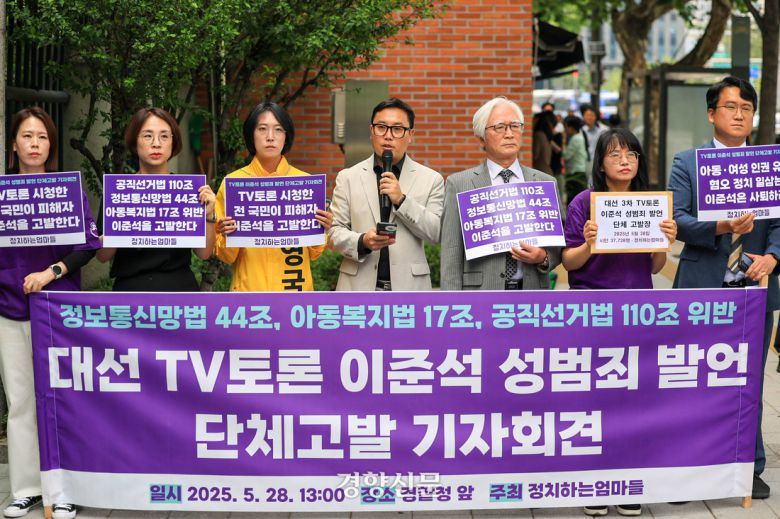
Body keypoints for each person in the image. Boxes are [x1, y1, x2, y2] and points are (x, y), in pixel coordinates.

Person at [668, 75, 780, 500]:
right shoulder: (688, 162)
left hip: (754, 287)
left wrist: (773, 256)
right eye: (730, 107)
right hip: (702, 286)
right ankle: (686, 467)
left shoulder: (768, 165)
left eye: (746, 108)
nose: (739, 114)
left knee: (748, 382)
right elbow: (677, 220)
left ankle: (749, 467)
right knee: (692, 377)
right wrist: (721, 226)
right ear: (711, 113)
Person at [565, 129, 677, 517]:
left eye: (631, 154)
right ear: (600, 162)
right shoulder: (584, 202)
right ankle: (595, 483)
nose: (624, 161)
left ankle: (627, 481)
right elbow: (569, 262)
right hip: (593, 313)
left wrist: (663, 244)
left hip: (636, 312)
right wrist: (588, 243)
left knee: (632, 399)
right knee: (595, 399)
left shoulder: (649, 203)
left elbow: (655, 267)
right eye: (615, 154)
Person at [1, 108, 100, 519]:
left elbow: (88, 245)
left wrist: (51, 272)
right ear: (14, 144)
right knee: (21, 402)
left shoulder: (67, 190)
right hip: (10, 309)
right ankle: (26, 489)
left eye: (42, 137)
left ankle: (65, 491)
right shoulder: (2, 194)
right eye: (27, 136)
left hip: (59, 311)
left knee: (61, 400)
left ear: (51, 145)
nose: (35, 143)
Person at [440, 97, 561, 290]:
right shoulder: (460, 184)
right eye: (499, 127)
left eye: (515, 126)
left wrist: (544, 257)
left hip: (531, 291)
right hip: (480, 293)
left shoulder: (545, 183)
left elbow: (558, 244)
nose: (509, 134)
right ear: (482, 137)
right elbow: (451, 251)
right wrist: (452, 301)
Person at [328, 98, 444, 291]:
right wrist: (362, 242)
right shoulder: (348, 177)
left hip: (409, 288)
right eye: (381, 127)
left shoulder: (431, 179)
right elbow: (333, 232)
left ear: (410, 134)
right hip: (358, 288)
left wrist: (402, 201)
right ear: (371, 131)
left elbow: (436, 232)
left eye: (397, 129)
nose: (388, 136)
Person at [215, 101, 332, 291]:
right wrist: (227, 235)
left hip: (294, 293)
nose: (270, 137)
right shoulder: (234, 184)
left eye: (278, 130)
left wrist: (322, 230)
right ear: (251, 135)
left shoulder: (304, 184)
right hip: (249, 294)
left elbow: (314, 254)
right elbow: (226, 257)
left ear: (286, 137)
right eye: (262, 129)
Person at [96, 108, 216, 290]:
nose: (156, 144)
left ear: (173, 142)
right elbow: (102, 256)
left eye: (164, 136)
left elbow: (204, 253)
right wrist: (118, 228)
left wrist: (209, 216)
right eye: (148, 136)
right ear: (134, 142)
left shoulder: (189, 191)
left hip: (180, 291)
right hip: (130, 292)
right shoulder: (118, 191)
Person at [561, 115, 589, 206]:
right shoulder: (580, 136)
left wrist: (563, 142)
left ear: (571, 127)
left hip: (575, 174)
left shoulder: (575, 139)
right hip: (580, 172)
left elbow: (566, 156)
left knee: (573, 201)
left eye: (566, 127)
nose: (565, 130)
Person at [580, 103, 607, 177]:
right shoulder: (582, 130)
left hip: (599, 162)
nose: (589, 117)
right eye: (586, 115)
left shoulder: (603, 130)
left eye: (591, 115)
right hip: (585, 162)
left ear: (596, 116)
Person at [532, 111, 556, 175]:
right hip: (546, 172)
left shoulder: (538, 135)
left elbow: (534, 155)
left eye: (533, 119)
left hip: (540, 173)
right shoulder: (546, 135)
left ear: (537, 120)